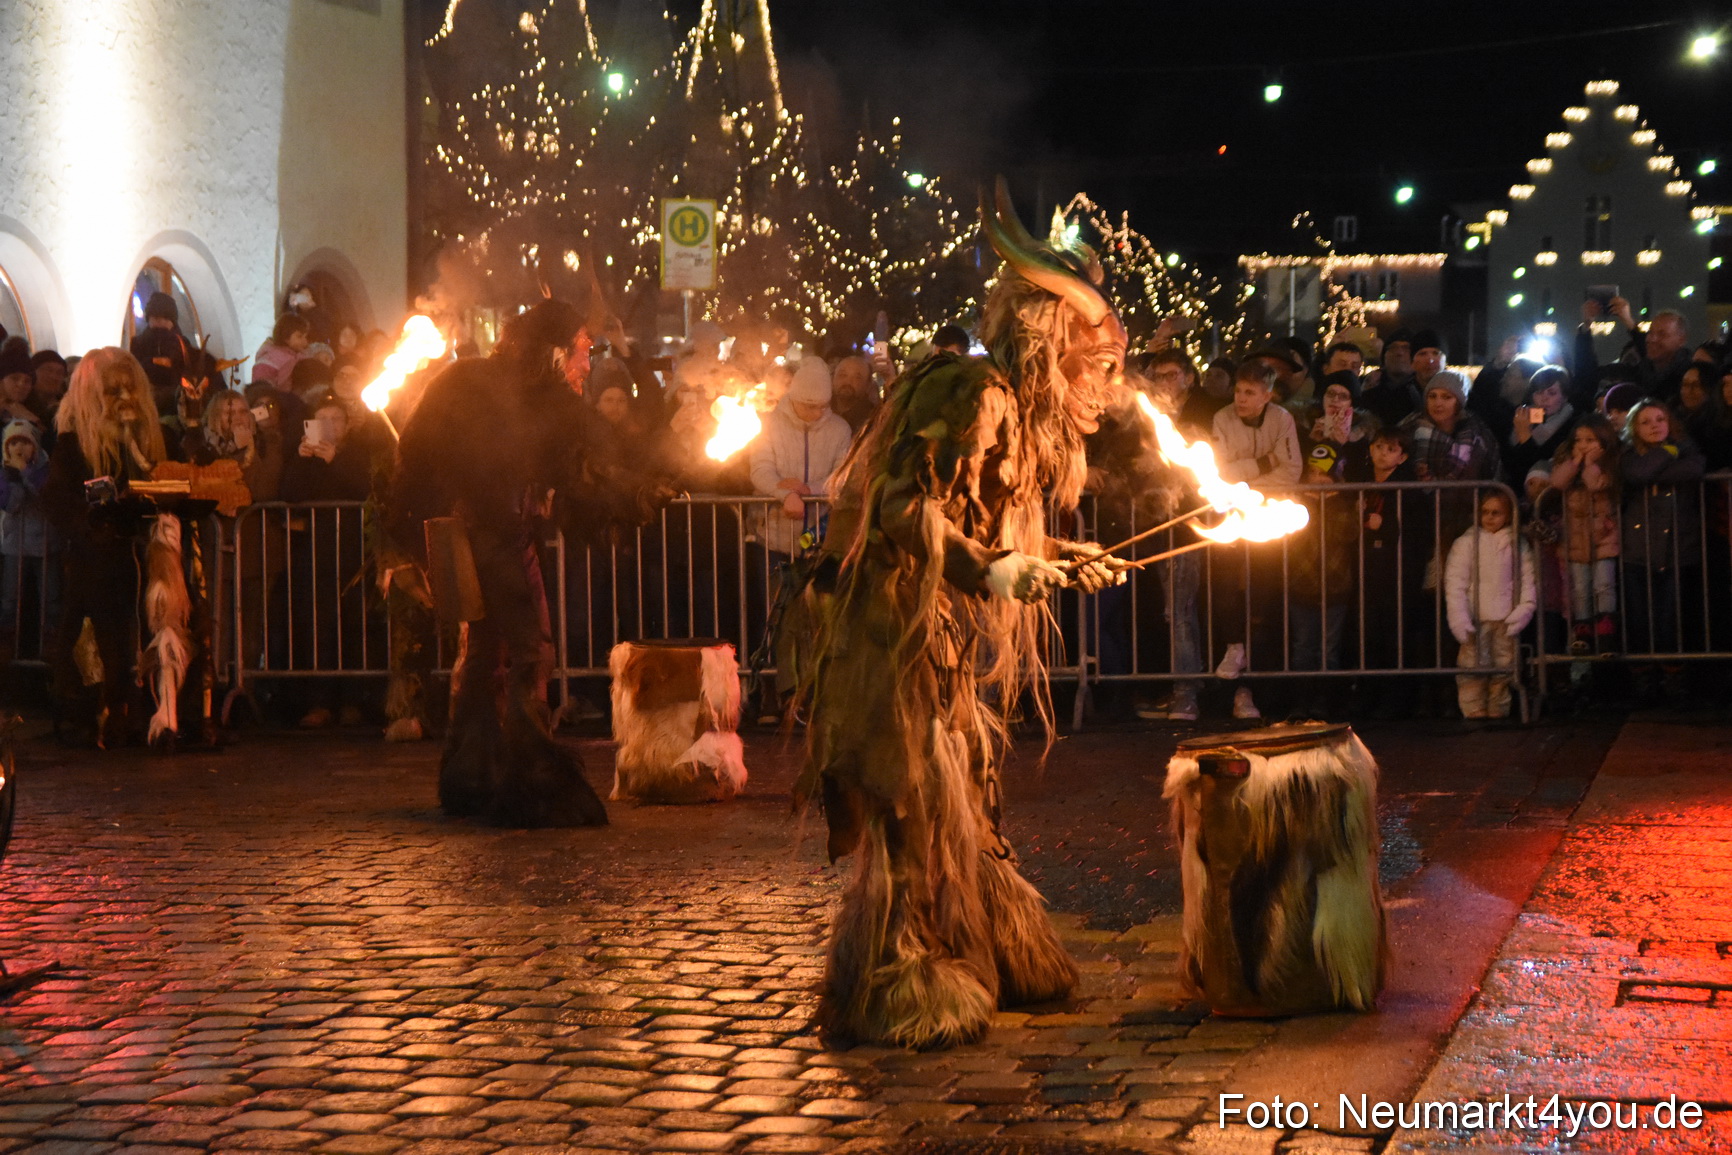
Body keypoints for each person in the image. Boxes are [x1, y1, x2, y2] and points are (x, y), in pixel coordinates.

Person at [799, 184, 1125, 1050]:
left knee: (962, 788)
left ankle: (990, 939)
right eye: (1098, 367)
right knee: (907, 794)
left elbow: (977, 525)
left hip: (931, 634)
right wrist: (994, 565)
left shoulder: (1015, 414)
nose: (1108, 392)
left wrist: (1052, 563)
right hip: (884, 627)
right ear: (1054, 345)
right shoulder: (975, 391)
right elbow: (905, 505)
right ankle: (894, 973)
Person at [44, 349, 171, 746]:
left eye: (129, 387)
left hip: (140, 551)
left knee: (144, 628)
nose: (123, 397)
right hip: (96, 557)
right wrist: (89, 525)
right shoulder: (73, 442)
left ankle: (146, 710)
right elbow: (59, 499)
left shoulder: (142, 439)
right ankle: (102, 712)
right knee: (101, 638)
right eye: (112, 389)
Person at [747, 358, 852, 721]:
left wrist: (811, 492)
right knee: (778, 615)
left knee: (812, 616)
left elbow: (842, 474)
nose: (815, 413)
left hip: (817, 536)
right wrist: (781, 491)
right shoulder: (770, 425)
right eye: (810, 406)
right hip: (773, 536)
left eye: (822, 406)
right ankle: (779, 693)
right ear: (795, 399)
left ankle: (807, 693)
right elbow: (760, 468)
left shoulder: (839, 430)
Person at [1210, 360, 1301, 721]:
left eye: (1250, 393)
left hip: (1271, 518)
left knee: (1265, 597)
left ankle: (1259, 686)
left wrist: (1245, 478)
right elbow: (1220, 474)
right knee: (1226, 590)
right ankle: (1233, 652)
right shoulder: (1222, 419)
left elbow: (1291, 471)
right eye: (1238, 391)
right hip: (1232, 518)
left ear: (1267, 396)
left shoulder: (1282, 420)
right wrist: (1264, 465)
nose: (1241, 399)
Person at [1618, 399, 1704, 695]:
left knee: (1672, 620)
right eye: (1646, 422)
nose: (1654, 426)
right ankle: (1643, 680)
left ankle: (1674, 680)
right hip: (1638, 551)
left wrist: (1660, 461)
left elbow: (1694, 469)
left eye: (1659, 419)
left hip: (1678, 548)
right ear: (1634, 428)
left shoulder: (1687, 449)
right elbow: (1637, 473)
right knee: (1640, 621)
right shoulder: (1629, 456)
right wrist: (1667, 453)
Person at [1445, 490, 1536, 720]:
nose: (1489, 517)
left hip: (1506, 618)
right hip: (1476, 617)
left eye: (1496, 512)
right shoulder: (1466, 542)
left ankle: (1498, 708)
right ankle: (1473, 708)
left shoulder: (1517, 543)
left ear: (1508, 515)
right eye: (1485, 512)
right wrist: (1459, 618)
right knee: (1472, 665)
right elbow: (1455, 582)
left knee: (1504, 666)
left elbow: (1528, 579)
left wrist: (1524, 609)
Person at [1549, 417, 1619, 656]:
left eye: (1590, 440)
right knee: (1580, 588)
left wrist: (1590, 463)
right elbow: (1557, 482)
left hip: (1604, 538)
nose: (1583, 444)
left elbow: (1595, 485)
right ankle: (1583, 631)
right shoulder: (1569, 464)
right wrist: (1576, 461)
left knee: (1603, 584)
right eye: (1578, 440)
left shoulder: (1610, 466)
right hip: (1576, 540)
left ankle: (1606, 631)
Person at [0, 419, 58, 665]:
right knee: (9, 598)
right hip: (16, 544)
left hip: (46, 544)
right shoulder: (4, 472)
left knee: (51, 598)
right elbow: (11, 504)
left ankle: (52, 643)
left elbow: (46, 495)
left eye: (25, 441)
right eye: (14, 442)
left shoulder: (47, 468)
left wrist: (26, 471)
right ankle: (6, 642)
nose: (19, 447)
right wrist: (15, 476)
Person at [1577, 298, 1691, 403]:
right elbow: (1589, 374)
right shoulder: (1639, 373)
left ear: (1681, 339)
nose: (1652, 339)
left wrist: (1630, 324)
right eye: (1650, 332)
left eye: (1662, 334)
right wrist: (1586, 327)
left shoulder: (1688, 377)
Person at [1503, 364, 1576, 481]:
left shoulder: (1572, 426)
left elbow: (1538, 465)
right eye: (1539, 392)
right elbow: (1511, 464)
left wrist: (1525, 436)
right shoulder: (1523, 418)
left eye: (1551, 393)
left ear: (1565, 397)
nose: (1544, 398)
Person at [129, 292, 193, 415]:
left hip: (175, 405)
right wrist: (152, 362)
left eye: (165, 318)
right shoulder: (139, 343)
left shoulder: (182, 344)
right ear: (149, 319)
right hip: (145, 401)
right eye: (155, 318)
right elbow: (135, 371)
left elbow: (186, 373)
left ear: (172, 321)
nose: (160, 323)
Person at [1358, 327, 1419, 428]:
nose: (1399, 353)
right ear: (1384, 356)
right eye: (1393, 347)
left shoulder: (1427, 391)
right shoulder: (1365, 386)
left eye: (1406, 348)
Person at [253, 313, 311, 391]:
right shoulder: (268, 361)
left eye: (305, 337)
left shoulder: (301, 356)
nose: (305, 341)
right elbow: (260, 390)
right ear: (285, 337)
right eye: (299, 336)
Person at [828, 353, 879, 437]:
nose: (848, 382)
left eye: (857, 378)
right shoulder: (820, 412)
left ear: (868, 385)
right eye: (842, 375)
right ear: (833, 378)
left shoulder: (873, 419)